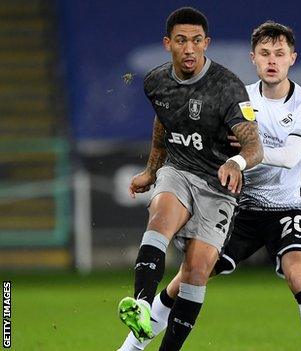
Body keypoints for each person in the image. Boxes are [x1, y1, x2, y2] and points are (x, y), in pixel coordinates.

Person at [117, 21, 301, 351]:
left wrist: (242, 157)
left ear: (293, 58)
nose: (272, 60)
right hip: (241, 206)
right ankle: (130, 348)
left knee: (298, 274)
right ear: (253, 58)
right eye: (265, 53)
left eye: (279, 53)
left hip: (288, 207)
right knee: (190, 275)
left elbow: (291, 155)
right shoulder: (237, 97)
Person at [117, 7, 263, 351]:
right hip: (179, 171)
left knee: (196, 272)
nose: (189, 49)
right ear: (168, 43)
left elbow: (254, 146)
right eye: (181, 41)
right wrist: (152, 171)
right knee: (160, 217)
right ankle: (140, 303)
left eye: (197, 41)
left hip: (218, 185)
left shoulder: (226, 86)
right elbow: (163, 122)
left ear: (206, 43)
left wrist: (236, 162)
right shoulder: (156, 81)